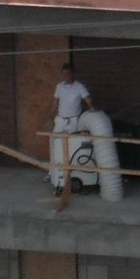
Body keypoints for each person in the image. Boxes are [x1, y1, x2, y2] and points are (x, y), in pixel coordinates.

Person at [48, 63, 94, 191]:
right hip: (61, 119)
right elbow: (55, 101)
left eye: (68, 74)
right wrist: (50, 116)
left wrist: (93, 109)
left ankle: (69, 174)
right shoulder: (59, 86)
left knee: (70, 145)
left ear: (73, 74)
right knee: (54, 142)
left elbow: (87, 99)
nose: (66, 77)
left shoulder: (79, 86)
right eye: (64, 74)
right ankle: (52, 173)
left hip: (74, 120)